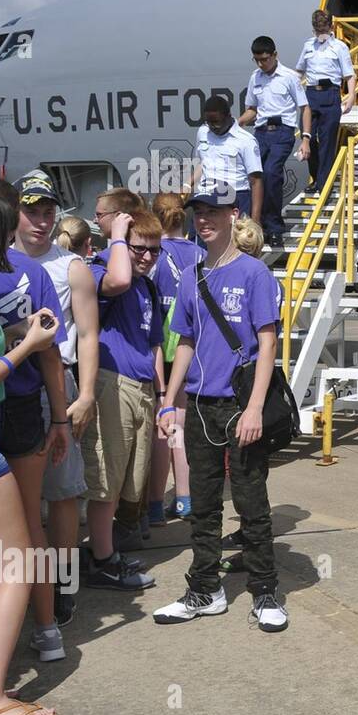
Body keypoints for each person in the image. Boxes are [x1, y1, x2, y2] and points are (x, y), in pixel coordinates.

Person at [154, 185, 288, 632]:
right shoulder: (192, 274)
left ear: (234, 214)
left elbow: (267, 343)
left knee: (251, 500)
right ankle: (205, 590)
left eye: (213, 211)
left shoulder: (254, 273)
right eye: (198, 213)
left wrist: (253, 410)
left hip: (238, 403)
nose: (204, 220)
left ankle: (266, 590)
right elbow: (186, 341)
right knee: (205, 504)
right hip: (199, 405)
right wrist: (170, 401)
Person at [0, 176, 71, 663]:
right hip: (17, 405)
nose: (38, 218)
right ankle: (48, 629)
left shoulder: (2, 270)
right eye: (27, 208)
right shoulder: (29, 272)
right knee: (28, 521)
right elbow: (50, 354)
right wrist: (59, 418)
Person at [11, 171, 101, 628]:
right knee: (10, 501)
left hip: (57, 386)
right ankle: (18, 584)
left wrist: (84, 395)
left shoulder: (71, 267)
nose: (41, 221)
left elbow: (87, 334)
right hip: (5, 387)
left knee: (62, 494)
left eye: (48, 212)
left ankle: (64, 585)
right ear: (15, 213)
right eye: (32, 212)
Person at [79, 208, 164, 592]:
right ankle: (100, 560)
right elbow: (117, 280)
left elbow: (155, 344)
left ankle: (105, 549)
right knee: (107, 479)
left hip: (143, 387)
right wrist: (116, 238)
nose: (146, 257)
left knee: (131, 479)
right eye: (138, 249)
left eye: (154, 251)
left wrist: (162, 395)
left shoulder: (147, 287)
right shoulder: (100, 271)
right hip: (113, 384)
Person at [145, 193, 205, 528]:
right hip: (190, 346)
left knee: (160, 428)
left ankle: (154, 503)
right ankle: (184, 499)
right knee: (180, 427)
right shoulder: (200, 253)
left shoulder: (150, 253)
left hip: (159, 347)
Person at [239, 36, 311, 249]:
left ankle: (275, 228)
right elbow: (252, 109)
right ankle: (253, 225)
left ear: (275, 55)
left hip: (282, 133)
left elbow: (304, 107)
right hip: (260, 133)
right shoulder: (255, 78)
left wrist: (305, 138)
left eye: (265, 59)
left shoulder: (289, 77)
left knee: (271, 173)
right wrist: (238, 123)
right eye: (257, 60)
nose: (262, 64)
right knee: (253, 176)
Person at [295, 10, 356, 194]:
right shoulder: (308, 46)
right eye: (317, 30)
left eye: (323, 29)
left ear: (330, 27)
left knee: (328, 141)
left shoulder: (339, 47)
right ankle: (316, 177)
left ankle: (324, 184)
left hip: (330, 94)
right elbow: (299, 71)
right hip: (311, 94)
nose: (319, 33)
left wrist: (351, 96)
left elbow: (349, 74)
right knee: (308, 137)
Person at [186, 95, 264, 224]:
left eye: (216, 121)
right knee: (200, 241)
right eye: (208, 122)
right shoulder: (202, 133)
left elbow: (256, 181)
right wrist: (187, 184)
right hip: (206, 195)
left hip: (235, 197)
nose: (213, 126)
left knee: (235, 242)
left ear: (228, 116)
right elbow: (202, 164)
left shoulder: (246, 141)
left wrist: (255, 221)